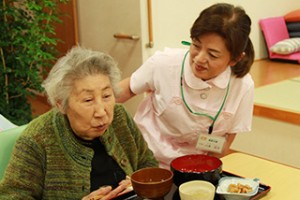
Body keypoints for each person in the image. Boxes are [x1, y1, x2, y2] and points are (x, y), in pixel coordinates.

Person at [0, 46, 158, 199]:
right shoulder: (37, 140)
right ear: (61, 104)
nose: (102, 112)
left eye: (106, 96)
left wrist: (139, 184)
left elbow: (147, 162)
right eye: (88, 100)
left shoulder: (119, 116)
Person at [118, 3, 255, 169]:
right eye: (196, 45)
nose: (199, 59)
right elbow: (124, 90)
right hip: (145, 160)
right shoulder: (164, 64)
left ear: (234, 59)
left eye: (212, 54)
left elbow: (224, 144)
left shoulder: (242, 86)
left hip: (195, 168)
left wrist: (200, 175)